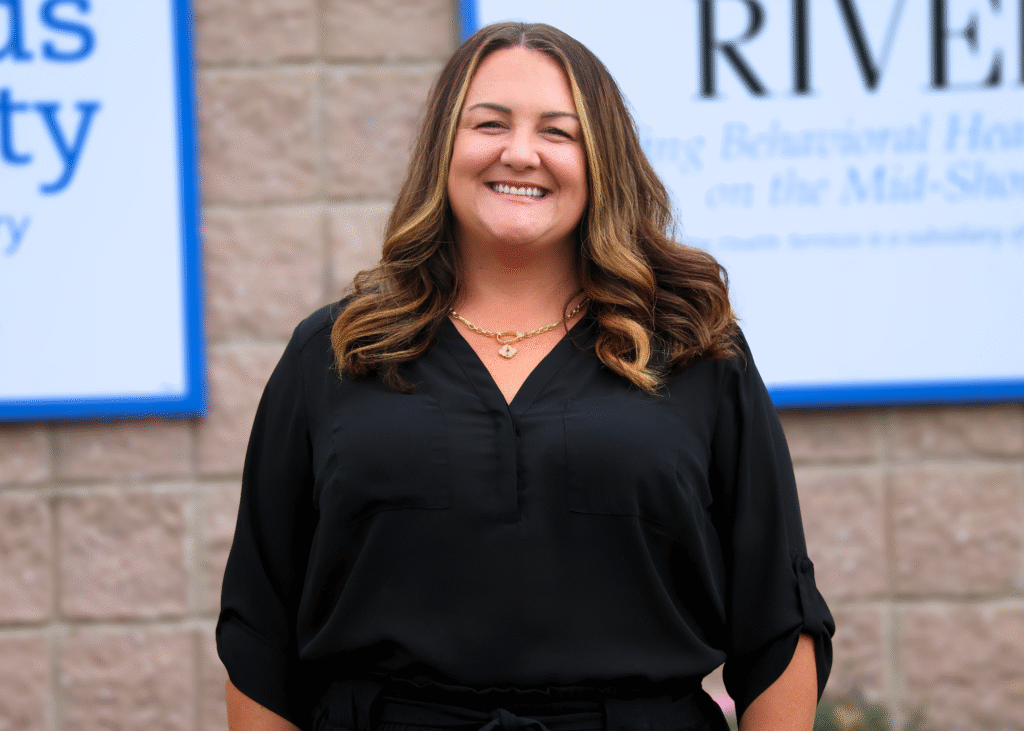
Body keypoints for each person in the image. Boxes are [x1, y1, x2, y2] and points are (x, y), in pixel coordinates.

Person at [218, 21, 834, 731]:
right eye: (490, 124)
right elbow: (260, 632)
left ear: (601, 160)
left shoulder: (695, 349)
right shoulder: (336, 352)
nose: (520, 152)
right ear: (442, 149)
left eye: (557, 132)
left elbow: (777, 616)